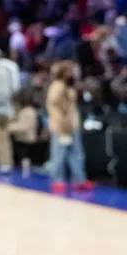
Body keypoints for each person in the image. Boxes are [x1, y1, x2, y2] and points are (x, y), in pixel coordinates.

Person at [46, 60, 93, 193]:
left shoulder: (70, 86)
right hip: (60, 125)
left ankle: (79, 179)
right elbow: (56, 106)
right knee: (59, 154)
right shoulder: (57, 86)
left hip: (73, 125)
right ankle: (57, 180)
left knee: (76, 153)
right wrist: (62, 122)